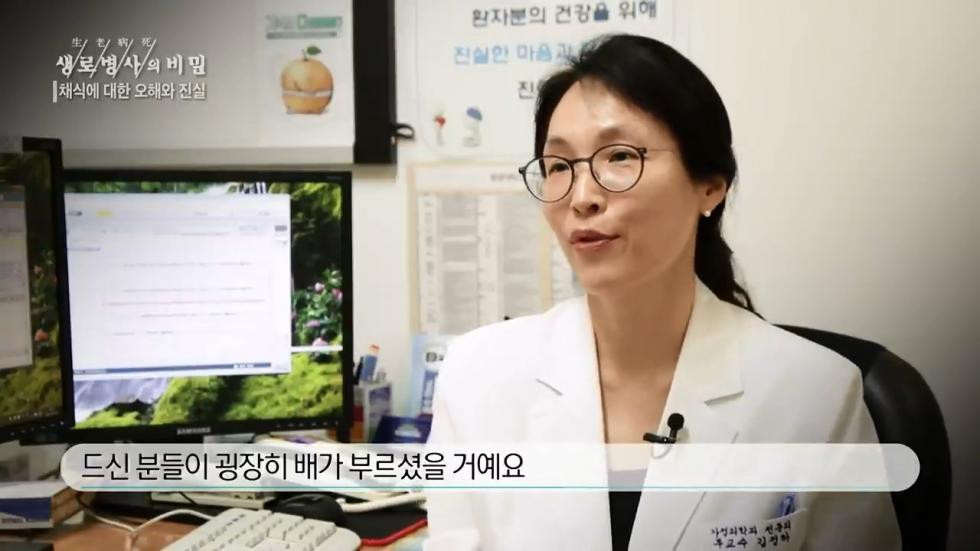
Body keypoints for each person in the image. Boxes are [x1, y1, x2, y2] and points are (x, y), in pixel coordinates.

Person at [424, 34, 900, 551]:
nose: (581, 197)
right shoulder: (476, 377)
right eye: (558, 166)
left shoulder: (813, 392)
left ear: (709, 186)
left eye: (620, 156)